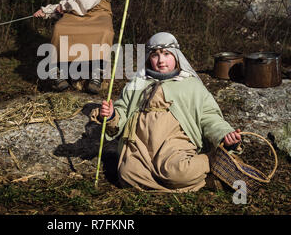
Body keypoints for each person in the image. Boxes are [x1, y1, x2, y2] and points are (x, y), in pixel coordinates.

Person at [90, 32, 242, 192]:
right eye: (155, 55)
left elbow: (209, 116)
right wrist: (112, 115)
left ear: (176, 56)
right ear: (149, 58)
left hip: (174, 143)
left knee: (178, 172)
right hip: (139, 145)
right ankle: (193, 183)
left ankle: (211, 161)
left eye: (166, 54)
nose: (161, 60)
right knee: (127, 175)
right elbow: (122, 111)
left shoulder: (191, 85)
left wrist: (224, 133)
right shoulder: (137, 83)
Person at [34, 0, 114, 94]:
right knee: (61, 28)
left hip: (98, 13)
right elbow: (69, 1)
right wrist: (48, 10)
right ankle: (58, 70)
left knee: (104, 31)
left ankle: (96, 72)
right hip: (76, 12)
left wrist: (62, 7)